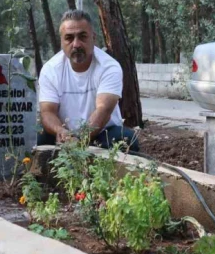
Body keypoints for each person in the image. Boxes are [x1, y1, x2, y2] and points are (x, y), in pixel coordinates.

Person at [37, 9, 139, 151]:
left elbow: (103, 110)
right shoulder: (50, 69)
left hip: (102, 133)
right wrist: (61, 132)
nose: (76, 44)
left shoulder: (109, 67)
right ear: (61, 41)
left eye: (82, 37)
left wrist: (80, 140)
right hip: (64, 135)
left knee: (126, 139)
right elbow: (47, 112)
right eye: (69, 38)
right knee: (38, 137)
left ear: (93, 38)